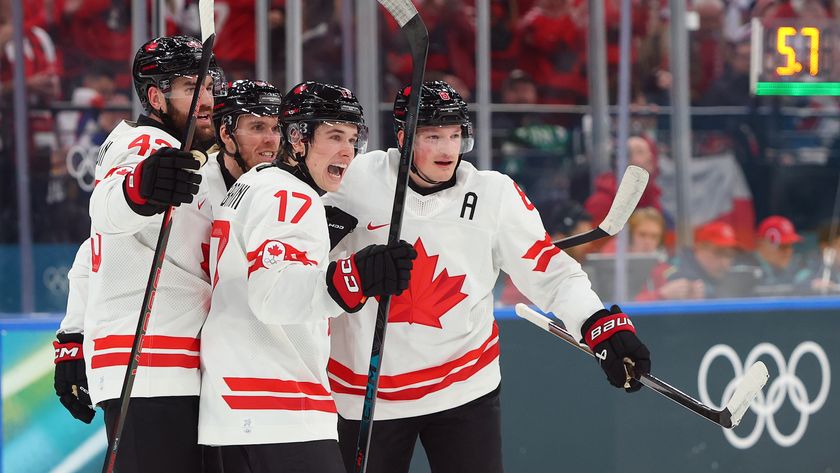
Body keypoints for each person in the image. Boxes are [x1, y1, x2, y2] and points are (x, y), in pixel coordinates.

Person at [323, 81, 652, 473]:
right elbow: (304, 258)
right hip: (366, 395)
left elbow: (549, 271)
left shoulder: (494, 195)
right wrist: (346, 272)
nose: (447, 149)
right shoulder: (354, 180)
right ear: (403, 136)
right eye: (432, 136)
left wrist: (599, 325)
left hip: (465, 388)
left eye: (454, 135)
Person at [197, 81, 416, 473]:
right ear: (297, 139)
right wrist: (355, 278)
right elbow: (273, 296)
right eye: (334, 136)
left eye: (352, 138)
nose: (347, 151)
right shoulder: (290, 196)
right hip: (280, 408)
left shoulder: (253, 183)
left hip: (234, 407)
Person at [52, 35, 227, 473]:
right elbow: (109, 209)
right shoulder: (148, 147)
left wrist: (72, 335)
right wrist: (140, 190)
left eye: (210, 86)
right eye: (192, 88)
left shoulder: (191, 156)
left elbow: (93, 249)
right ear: (155, 96)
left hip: (166, 366)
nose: (208, 99)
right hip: (153, 367)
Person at [636, 221, 737, 301]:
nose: (724, 262)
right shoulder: (670, 274)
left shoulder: (735, 276)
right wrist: (664, 296)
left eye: (729, 255)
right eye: (719, 252)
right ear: (699, 248)